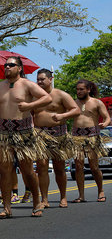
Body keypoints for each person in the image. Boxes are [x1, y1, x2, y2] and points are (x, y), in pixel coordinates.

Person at [0, 56, 51, 219]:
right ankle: (6, 208)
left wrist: (30, 105)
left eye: (11, 65)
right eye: (5, 65)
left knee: (27, 170)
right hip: (4, 132)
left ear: (19, 68)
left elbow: (47, 97)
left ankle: (36, 202)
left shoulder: (27, 84)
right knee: (5, 171)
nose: (7, 67)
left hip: (23, 131)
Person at [33, 69, 80, 208]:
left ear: (50, 79)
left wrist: (63, 116)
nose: (39, 82)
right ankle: (45, 199)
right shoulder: (34, 96)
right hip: (40, 135)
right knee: (41, 167)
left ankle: (63, 197)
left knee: (59, 167)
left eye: (42, 79)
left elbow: (76, 109)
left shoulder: (60, 95)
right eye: (38, 79)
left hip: (58, 135)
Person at [71, 80, 111, 203]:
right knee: (78, 166)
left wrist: (104, 124)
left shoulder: (96, 103)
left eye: (81, 89)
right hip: (77, 136)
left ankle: (101, 191)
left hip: (92, 136)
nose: (79, 91)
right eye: (77, 89)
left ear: (88, 90)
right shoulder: (73, 103)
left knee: (94, 167)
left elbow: (107, 117)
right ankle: (81, 195)